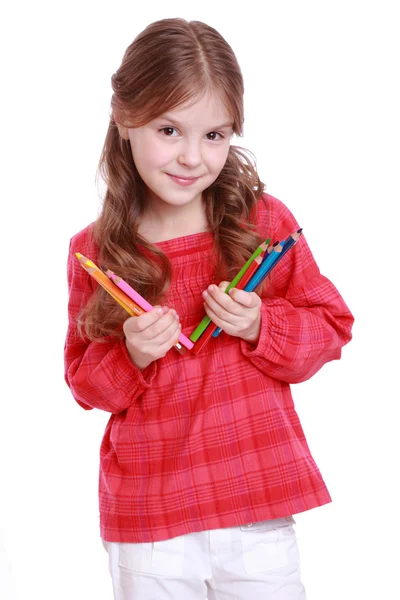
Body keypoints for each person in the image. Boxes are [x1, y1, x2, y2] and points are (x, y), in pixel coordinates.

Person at [64, 17, 354, 600]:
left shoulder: (263, 224)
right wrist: (131, 354)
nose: (193, 157)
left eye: (215, 135)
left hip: (256, 508)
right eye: (169, 130)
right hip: (149, 521)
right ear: (124, 119)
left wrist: (260, 324)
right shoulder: (95, 251)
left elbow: (332, 327)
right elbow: (84, 384)